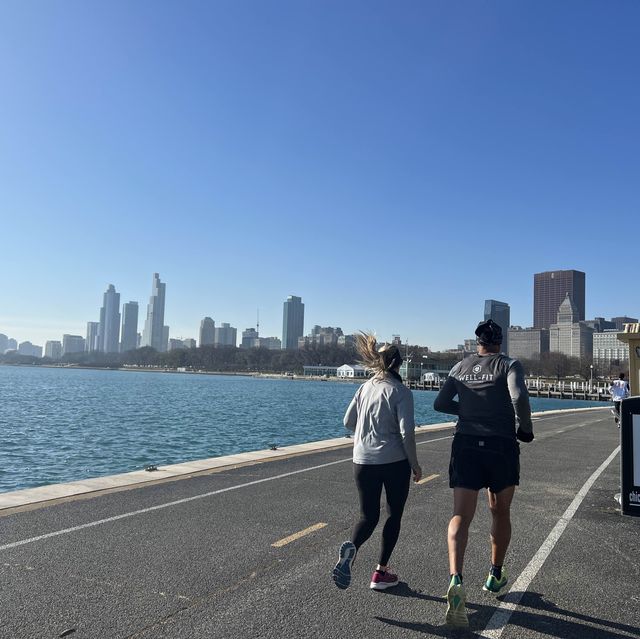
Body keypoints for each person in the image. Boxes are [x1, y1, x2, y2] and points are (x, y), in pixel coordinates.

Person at [433, 319, 533, 628]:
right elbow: (518, 397)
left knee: (460, 515)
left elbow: (440, 403)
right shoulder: (509, 364)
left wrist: (466, 411)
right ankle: (494, 575)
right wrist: (525, 429)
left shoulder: (460, 366)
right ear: (500, 342)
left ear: (477, 343)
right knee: (500, 511)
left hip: (466, 445)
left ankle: (456, 579)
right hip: (500, 445)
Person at [332, 333, 422, 592]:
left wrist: (367, 431)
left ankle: (352, 549)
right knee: (393, 514)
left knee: (368, 515)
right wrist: (415, 464)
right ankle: (381, 572)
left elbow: (347, 422)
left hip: (362, 460)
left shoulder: (364, 387)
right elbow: (407, 433)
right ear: (397, 365)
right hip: (393, 462)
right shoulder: (401, 392)